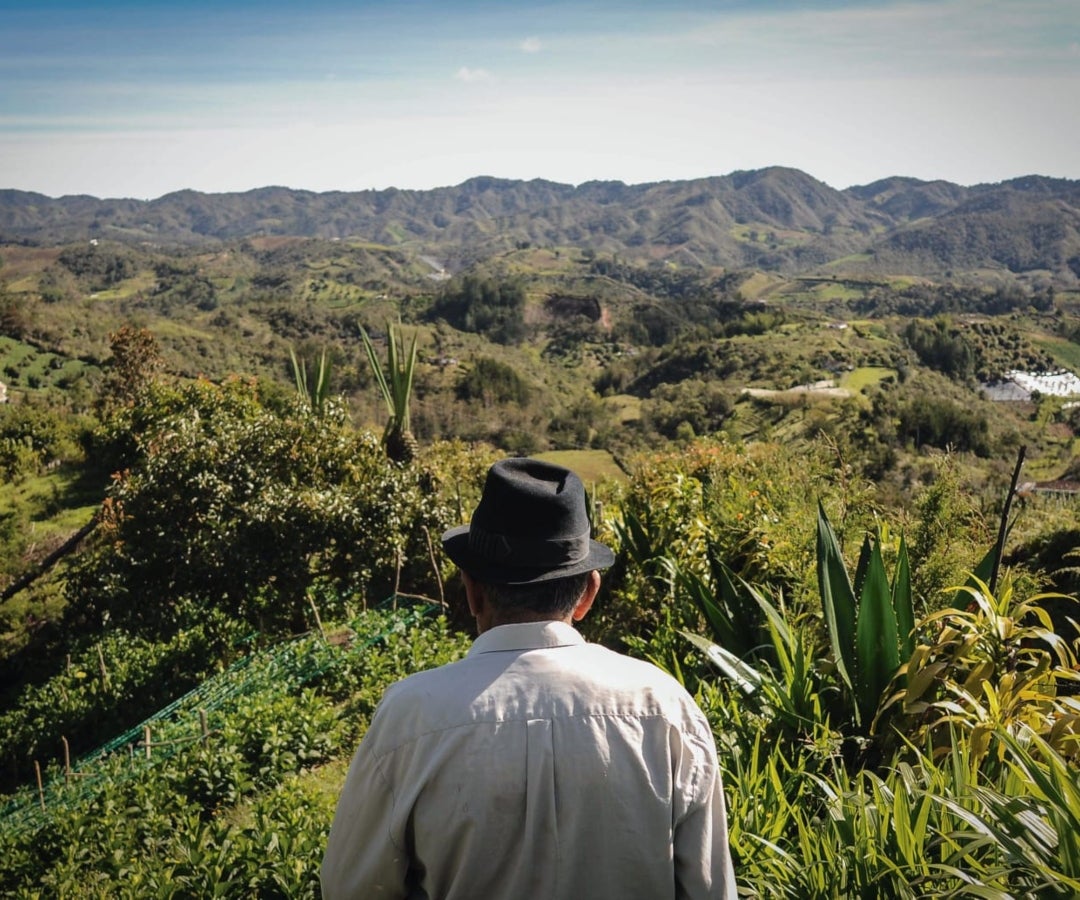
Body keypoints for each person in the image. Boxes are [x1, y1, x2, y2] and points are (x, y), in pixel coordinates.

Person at [321, 457, 736, 899]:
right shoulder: (664, 707)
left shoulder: (410, 716)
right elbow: (709, 889)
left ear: (473, 591)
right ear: (587, 595)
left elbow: (352, 887)